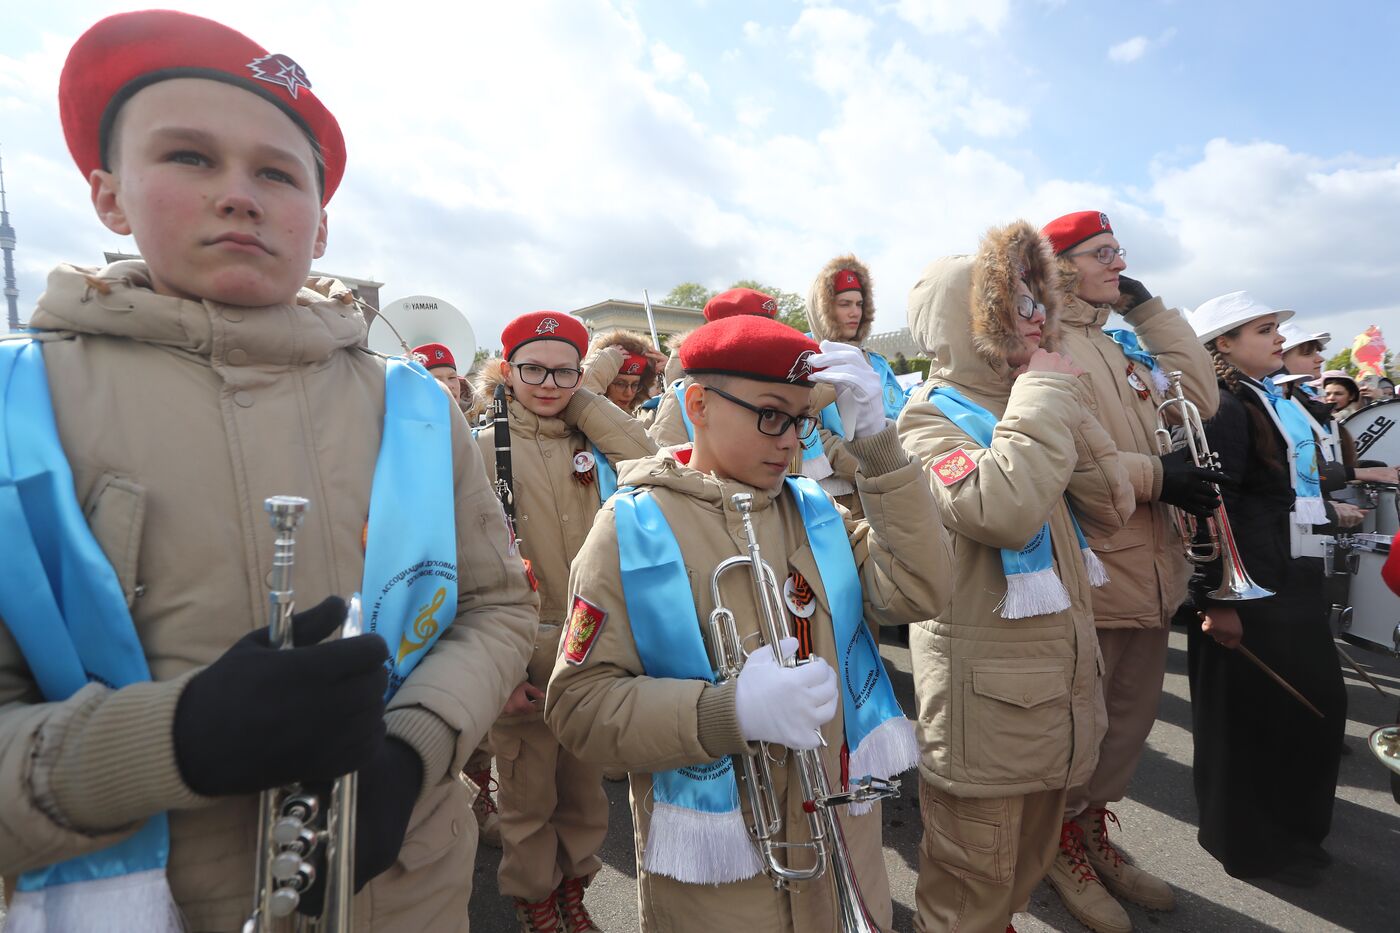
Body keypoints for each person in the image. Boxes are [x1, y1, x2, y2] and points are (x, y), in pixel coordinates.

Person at [0, 11, 537, 933]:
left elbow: (495, 607)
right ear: (108, 196)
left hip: (403, 890)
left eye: (277, 173)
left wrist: (412, 750)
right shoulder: (18, 409)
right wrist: (170, 742)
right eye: (190, 157)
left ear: (321, 226)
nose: (238, 195)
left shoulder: (413, 406)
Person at [546, 314, 955, 931]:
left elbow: (922, 586)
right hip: (721, 889)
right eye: (770, 415)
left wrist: (879, 445)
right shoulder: (629, 528)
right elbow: (579, 707)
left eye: (801, 419)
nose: (790, 441)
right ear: (698, 405)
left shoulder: (816, 510)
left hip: (841, 847)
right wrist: (725, 712)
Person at [898, 221, 1133, 933]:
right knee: (969, 892)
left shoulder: (1033, 398)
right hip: (987, 712)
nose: (1036, 317)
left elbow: (1113, 505)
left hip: (1053, 696)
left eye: (1040, 302)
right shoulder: (926, 416)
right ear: (964, 319)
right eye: (1017, 303)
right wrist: (1042, 398)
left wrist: (1060, 398)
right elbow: (998, 508)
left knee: (1020, 875)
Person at [1034, 210, 1221, 932]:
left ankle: (1090, 831)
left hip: (1153, 569)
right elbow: (1060, 455)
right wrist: (1156, 476)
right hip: (1095, 573)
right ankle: (1057, 844)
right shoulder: (1043, 345)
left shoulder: (1120, 344)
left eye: (1119, 250)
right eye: (1103, 253)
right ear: (1059, 268)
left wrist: (1150, 314)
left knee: (1130, 725)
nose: (1119, 263)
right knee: (1080, 731)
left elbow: (1200, 398)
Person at [472, 310, 657, 933]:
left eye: (564, 372)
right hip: (518, 646)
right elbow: (462, 566)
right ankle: (536, 904)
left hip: (592, 646)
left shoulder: (593, 439)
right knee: (527, 797)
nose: (548, 384)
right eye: (533, 370)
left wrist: (588, 405)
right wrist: (497, 671)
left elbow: (654, 461)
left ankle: (573, 894)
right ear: (506, 371)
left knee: (583, 795)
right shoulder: (477, 449)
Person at [1187, 291, 1349, 887]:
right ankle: (1254, 846)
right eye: (1264, 329)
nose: (1280, 337)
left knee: (1309, 715)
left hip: (1288, 578)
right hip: (1251, 592)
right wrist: (1217, 598)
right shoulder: (1223, 406)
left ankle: (1295, 832)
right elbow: (1211, 505)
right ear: (1223, 345)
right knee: (1252, 724)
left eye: (1275, 327)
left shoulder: (1270, 398)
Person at [801, 256, 909, 518]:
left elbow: (900, 418)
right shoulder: (807, 361)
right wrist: (873, 463)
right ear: (823, 308)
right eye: (844, 304)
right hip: (841, 502)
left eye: (859, 304)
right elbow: (809, 431)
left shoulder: (878, 362)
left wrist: (900, 462)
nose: (855, 312)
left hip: (896, 484)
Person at [648, 286, 779, 446]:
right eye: (750, 333)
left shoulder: (790, 384)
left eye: (768, 332)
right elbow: (667, 456)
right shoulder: (681, 395)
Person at [580, 329, 666, 415]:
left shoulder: (644, 415)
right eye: (620, 384)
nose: (628, 393)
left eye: (635, 384)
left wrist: (671, 373)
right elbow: (581, 399)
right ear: (605, 381)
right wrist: (603, 361)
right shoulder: (585, 417)